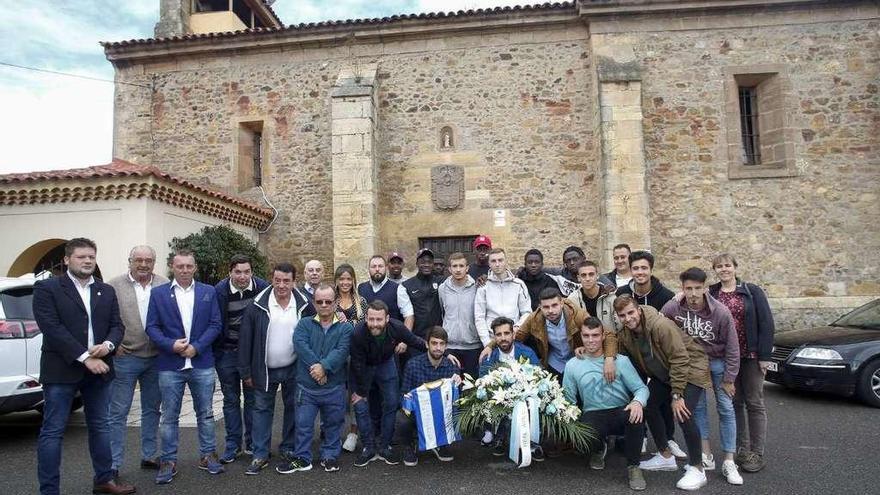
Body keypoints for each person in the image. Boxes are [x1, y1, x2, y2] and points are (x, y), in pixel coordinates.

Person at [33, 238, 135, 495]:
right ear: (67, 259)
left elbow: (117, 325)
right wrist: (85, 357)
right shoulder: (48, 288)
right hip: (61, 371)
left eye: (91, 256)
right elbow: (51, 327)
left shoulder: (105, 290)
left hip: (100, 370)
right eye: (81, 257)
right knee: (53, 431)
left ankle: (104, 480)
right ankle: (49, 490)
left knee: (101, 426)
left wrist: (109, 346)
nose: (88, 261)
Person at [612, 295, 711, 491]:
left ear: (638, 310)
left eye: (631, 312)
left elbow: (680, 358)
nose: (628, 318)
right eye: (622, 315)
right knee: (648, 404)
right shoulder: (625, 334)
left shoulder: (660, 326)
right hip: (664, 374)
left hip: (690, 370)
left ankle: (697, 468)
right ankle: (665, 456)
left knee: (683, 413)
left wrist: (677, 395)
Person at [145, 249, 225, 484]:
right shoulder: (158, 294)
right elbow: (152, 327)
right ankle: (168, 460)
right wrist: (171, 345)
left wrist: (197, 347)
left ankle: (208, 455)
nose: (185, 270)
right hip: (170, 364)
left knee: (206, 413)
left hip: (201, 362)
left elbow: (215, 324)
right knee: (169, 416)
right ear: (172, 267)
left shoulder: (208, 292)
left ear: (195, 267)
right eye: (180, 266)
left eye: (189, 266)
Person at [662, 267, 742, 485]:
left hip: (717, 363)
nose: (694, 293)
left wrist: (729, 377)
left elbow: (733, 347)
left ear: (705, 288)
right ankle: (705, 455)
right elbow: (661, 326)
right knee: (697, 409)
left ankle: (729, 460)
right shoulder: (673, 307)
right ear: (682, 289)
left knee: (725, 408)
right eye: (689, 288)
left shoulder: (720, 311)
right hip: (692, 366)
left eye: (698, 288)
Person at [238, 263, 314, 475]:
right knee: (262, 410)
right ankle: (260, 454)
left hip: (293, 367)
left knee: (293, 408)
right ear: (272, 279)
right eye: (278, 280)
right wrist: (246, 372)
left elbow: (315, 331)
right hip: (263, 369)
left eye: (286, 281)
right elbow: (245, 340)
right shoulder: (257, 305)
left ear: (293, 281)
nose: (281, 285)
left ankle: (288, 448)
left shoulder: (304, 304)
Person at [563, 317, 648, 491]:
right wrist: (570, 424)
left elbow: (641, 388)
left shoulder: (620, 361)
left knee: (636, 416)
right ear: (581, 336)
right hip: (593, 413)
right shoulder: (572, 365)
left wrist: (638, 402)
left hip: (620, 410)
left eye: (595, 335)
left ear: (603, 336)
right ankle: (599, 447)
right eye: (586, 336)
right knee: (581, 435)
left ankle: (634, 467)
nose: (591, 340)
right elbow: (568, 400)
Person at [709, 253, 774, 473]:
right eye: (719, 266)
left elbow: (766, 323)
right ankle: (742, 449)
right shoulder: (712, 293)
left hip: (751, 355)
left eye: (727, 265)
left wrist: (765, 356)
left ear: (735, 268)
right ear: (715, 270)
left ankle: (757, 452)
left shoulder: (751, 291)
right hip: (727, 357)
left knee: (754, 402)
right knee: (734, 402)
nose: (724, 269)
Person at [107, 245, 168, 477]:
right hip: (126, 356)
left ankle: (149, 455)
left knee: (152, 410)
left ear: (154, 262)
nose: (144, 264)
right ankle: (112, 464)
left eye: (149, 260)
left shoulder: (163, 284)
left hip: (155, 357)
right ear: (129, 260)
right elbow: (105, 317)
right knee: (118, 412)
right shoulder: (113, 285)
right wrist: (113, 345)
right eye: (139, 260)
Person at [279, 284, 353, 474]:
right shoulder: (304, 324)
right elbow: (301, 345)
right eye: (319, 301)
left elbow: (342, 351)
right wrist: (317, 369)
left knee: (333, 425)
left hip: (334, 387)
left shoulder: (345, 328)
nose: (324, 305)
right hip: (307, 387)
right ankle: (302, 458)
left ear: (335, 303)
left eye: (328, 301)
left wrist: (324, 368)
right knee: (303, 426)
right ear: (314, 302)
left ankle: (330, 456)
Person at [350, 301, 427, 467]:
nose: (375, 324)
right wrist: (361, 392)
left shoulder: (397, 327)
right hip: (364, 367)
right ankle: (368, 448)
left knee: (392, 404)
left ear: (387, 319)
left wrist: (442, 351)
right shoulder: (358, 334)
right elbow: (357, 364)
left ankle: (385, 446)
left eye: (379, 319)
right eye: (371, 319)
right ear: (366, 319)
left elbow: (416, 341)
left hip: (386, 363)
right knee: (360, 405)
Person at [487, 288, 617, 383]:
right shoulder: (535, 318)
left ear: (562, 303)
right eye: (546, 307)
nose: (550, 311)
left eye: (554, 305)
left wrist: (609, 359)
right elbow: (515, 336)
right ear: (540, 307)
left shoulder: (577, 314)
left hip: (578, 359)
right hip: (554, 363)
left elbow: (608, 334)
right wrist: (490, 345)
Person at [213, 254, 269, 463]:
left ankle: (253, 443)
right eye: (238, 272)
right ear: (230, 273)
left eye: (246, 272)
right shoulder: (219, 291)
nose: (243, 276)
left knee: (253, 400)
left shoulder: (262, 288)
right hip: (227, 352)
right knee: (230, 400)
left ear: (252, 272)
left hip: (252, 354)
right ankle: (232, 445)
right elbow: (216, 322)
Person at [397, 326, 462, 466]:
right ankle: (409, 445)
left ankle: (440, 443)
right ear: (427, 344)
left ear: (446, 346)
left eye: (441, 344)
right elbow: (403, 394)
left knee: (457, 411)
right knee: (402, 418)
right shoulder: (413, 364)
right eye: (434, 343)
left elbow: (457, 400)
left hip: (441, 413)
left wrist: (458, 384)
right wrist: (408, 399)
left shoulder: (452, 366)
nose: (438, 348)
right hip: (419, 412)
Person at [479, 317, 543, 459]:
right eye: (499, 334)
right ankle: (500, 438)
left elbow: (539, 377)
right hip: (500, 400)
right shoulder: (488, 357)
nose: (503, 338)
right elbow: (483, 383)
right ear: (494, 337)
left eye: (506, 333)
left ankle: (532, 442)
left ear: (513, 334)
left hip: (525, 397)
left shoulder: (527, 353)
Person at [474, 248, 532, 352]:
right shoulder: (483, 286)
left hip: (514, 338)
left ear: (506, 261)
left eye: (500, 260)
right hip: (492, 340)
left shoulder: (519, 284)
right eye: (493, 261)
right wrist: (487, 343)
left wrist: (516, 328)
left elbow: (527, 311)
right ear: (489, 264)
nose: (497, 264)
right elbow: (479, 317)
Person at [439, 252, 481, 378]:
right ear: (449, 269)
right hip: (450, 345)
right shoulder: (442, 289)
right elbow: (442, 312)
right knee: (450, 386)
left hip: (472, 345)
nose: (458, 270)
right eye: (455, 266)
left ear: (467, 268)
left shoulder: (477, 287)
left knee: (471, 386)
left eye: (461, 266)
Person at [398, 248, 444, 341]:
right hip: (416, 338)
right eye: (423, 262)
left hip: (438, 338)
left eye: (429, 262)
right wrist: (406, 339)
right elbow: (408, 315)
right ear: (417, 263)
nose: (426, 265)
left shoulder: (442, 282)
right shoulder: (406, 286)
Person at [568, 260, 619, 332]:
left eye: (591, 274)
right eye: (583, 275)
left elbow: (619, 325)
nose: (587, 279)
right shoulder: (572, 300)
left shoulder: (611, 297)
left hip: (610, 339)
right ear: (578, 278)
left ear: (597, 276)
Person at [357, 255, 403, 322]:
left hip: (391, 332)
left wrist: (404, 332)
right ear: (369, 269)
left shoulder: (398, 288)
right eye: (373, 266)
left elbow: (408, 315)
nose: (377, 269)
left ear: (386, 268)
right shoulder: (361, 288)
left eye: (380, 266)